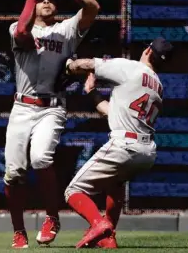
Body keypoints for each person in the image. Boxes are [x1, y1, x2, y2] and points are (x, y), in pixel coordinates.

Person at [4, 0, 100, 248]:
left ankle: (52, 217)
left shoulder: (66, 30)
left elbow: (93, 7)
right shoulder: (19, 26)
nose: (47, 1)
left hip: (51, 107)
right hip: (22, 107)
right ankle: (18, 230)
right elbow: (22, 31)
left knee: (41, 159)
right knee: (13, 173)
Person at [64, 37, 174, 248]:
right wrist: (92, 93)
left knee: (73, 191)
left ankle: (99, 224)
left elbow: (87, 65)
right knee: (114, 185)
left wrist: (68, 65)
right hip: (146, 152)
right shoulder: (157, 86)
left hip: (124, 145)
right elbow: (112, 113)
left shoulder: (131, 68)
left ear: (148, 51)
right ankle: (108, 238)